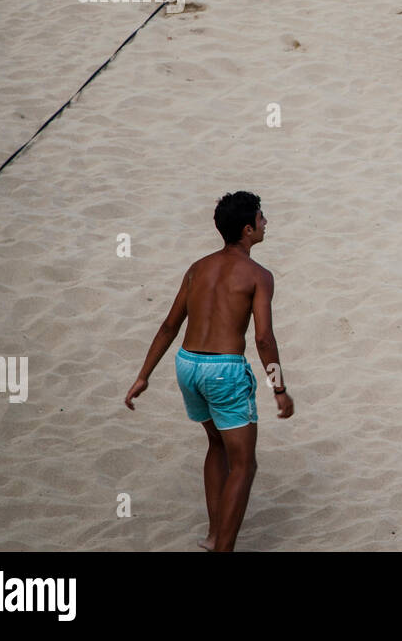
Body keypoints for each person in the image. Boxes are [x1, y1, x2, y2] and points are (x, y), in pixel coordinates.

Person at [124, 191, 294, 551]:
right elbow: (263, 339)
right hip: (223, 370)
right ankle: (223, 548)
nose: (266, 223)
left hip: (187, 364)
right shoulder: (258, 275)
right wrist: (278, 388)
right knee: (244, 465)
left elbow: (170, 325)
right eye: (262, 219)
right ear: (248, 229)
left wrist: (144, 375)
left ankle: (214, 534)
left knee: (216, 442)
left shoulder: (198, 267)